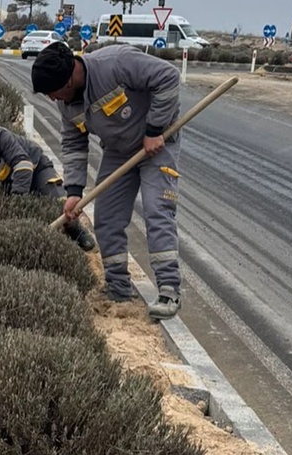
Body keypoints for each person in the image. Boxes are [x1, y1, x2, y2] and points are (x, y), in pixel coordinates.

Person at [30, 41, 184, 319]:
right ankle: (118, 287)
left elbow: (168, 77)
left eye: (53, 93)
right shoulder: (67, 103)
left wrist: (154, 129)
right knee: (106, 217)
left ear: (69, 80)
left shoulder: (116, 62)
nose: (53, 100)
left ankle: (169, 289)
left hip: (157, 144)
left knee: (157, 210)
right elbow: (74, 143)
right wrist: (74, 191)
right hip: (119, 152)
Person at [0, 126, 96, 252]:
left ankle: (75, 230)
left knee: (58, 202)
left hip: (36, 169)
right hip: (8, 182)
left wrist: (17, 203)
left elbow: (23, 165)